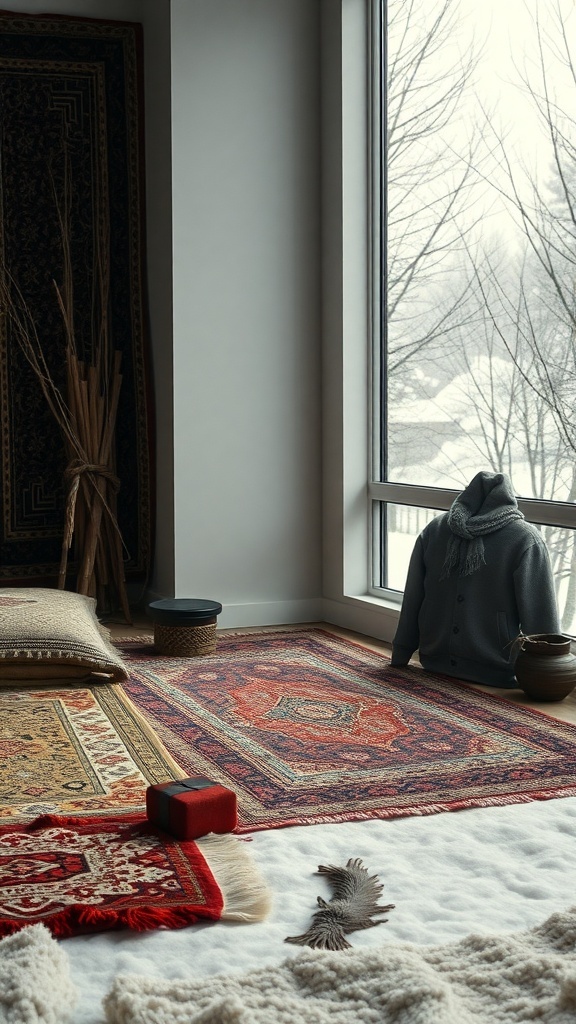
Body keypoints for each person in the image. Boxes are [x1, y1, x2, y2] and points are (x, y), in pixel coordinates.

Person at [390, 471, 560, 687]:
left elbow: (539, 614)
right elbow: (414, 596)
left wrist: (401, 654)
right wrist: (551, 678)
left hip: (486, 671)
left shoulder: (522, 540)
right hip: (440, 664)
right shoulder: (436, 531)